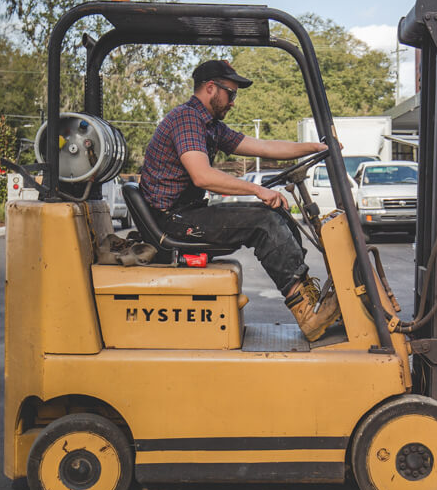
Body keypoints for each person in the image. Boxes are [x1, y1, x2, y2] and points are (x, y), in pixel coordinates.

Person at [139, 59, 340, 341]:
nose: (233, 102)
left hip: (186, 214)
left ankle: (307, 294)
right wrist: (257, 190)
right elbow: (202, 176)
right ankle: (306, 313)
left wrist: (318, 147)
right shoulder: (187, 119)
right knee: (264, 220)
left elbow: (265, 147)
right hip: (172, 221)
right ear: (211, 88)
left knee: (278, 212)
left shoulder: (209, 125)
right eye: (231, 93)